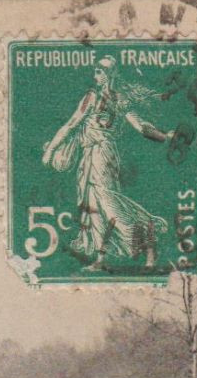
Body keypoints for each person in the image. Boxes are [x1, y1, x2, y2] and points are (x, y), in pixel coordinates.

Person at [41, 56, 178, 271]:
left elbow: (71, 124)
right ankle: (100, 259)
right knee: (94, 206)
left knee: (108, 203)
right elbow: (142, 127)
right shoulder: (120, 99)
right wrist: (164, 137)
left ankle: (149, 239)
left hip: (99, 154)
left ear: (108, 75)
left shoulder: (93, 97)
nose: (95, 74)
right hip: (99, 154)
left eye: (99, 71)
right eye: (96, 70)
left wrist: (50, 150)